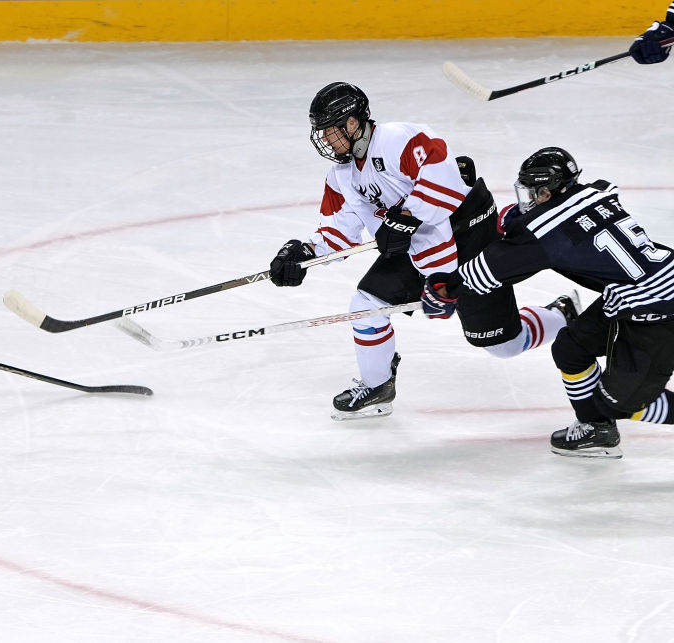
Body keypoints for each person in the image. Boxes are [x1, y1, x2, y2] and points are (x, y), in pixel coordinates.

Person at [269, 82, 574, 421]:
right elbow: (341, 228)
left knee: (503, 345)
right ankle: (377, 386)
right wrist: (306, 253)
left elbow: (443, 175)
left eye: (330, 130)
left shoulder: (398, 139)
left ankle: (562, 314)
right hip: (420, 246)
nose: (326, 140)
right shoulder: (341, 175)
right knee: (366, 306)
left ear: (352, 122)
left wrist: (407, 218)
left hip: (468, 237)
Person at [422, 147, 674, 458]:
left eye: (533, 192)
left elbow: (490, 269)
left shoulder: (543, 232)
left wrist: (447, 289)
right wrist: (522, 221)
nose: (527, 198)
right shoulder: (598, 194)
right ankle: (596, 430)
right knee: (571, 348)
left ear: (547, 191)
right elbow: (602, 191)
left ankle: (605, 416)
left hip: (659, 312)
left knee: (621, 404)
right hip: (634, 296)